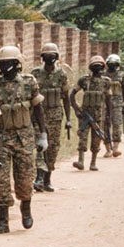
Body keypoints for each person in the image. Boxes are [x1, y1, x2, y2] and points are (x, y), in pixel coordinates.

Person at [0, 45, 47, 234]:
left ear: (17, 64)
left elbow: (38, 110)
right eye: (2, 64)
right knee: (1, 179)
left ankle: (26, 209)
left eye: (9, 64)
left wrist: (43, 135)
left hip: (25, 138)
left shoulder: (29, 82)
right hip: (2, 139)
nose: (5, 68)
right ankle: (3, 220)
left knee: (25, 178)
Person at [30, 43, 71, 192]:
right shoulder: (35, 74)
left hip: (55, 117)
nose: (50, 58)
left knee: (53, 148)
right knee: (41, 146)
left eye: (52, 56)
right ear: (42, 58)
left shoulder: (62, 75)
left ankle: (47, 179)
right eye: (47, 56)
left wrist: (69, 119)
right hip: (38, 117)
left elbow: (66, 98)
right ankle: (39, 178)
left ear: (57, 57)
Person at [70, 55, 112, 170]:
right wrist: (76, 109)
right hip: (85, 115)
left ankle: (93, 163)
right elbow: (72, 94)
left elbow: (108, 99)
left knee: (97, 139)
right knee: (82, 137)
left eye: (99, 66)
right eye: (95, 66)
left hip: (99, 116)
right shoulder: (84, 80)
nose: (97, 69)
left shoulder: (106, 81)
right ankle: (80, 161)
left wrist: (109, 115)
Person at [103, 53, 124, 157]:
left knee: (117, 125)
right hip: (104, 104)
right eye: (110, 63)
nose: (112, 65)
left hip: (117, 104)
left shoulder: (122, 75)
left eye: (114, 63)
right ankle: (108, 149)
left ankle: (115, 148)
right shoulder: (103, 75)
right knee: (105, 125)